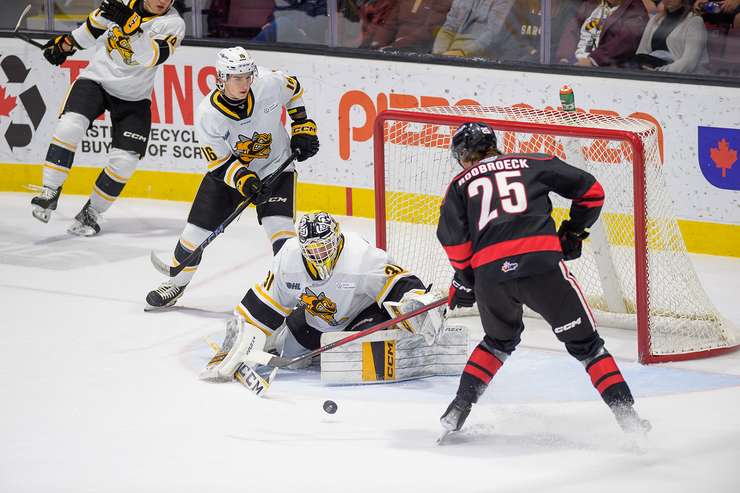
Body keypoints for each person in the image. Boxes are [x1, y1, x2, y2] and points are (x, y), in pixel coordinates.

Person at [435, 122, 650, 437]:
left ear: (464, 156)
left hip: (492, 277)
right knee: (588, 347)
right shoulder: (536, 161)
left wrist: (465, 280)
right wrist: (574, 230)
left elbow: (454, 241)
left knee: (497, 342)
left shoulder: (458, 185)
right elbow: (592, 192)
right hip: (542, 267)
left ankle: (458, 407)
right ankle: (628, 418)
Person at [144, 46, 320, 310]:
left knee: (281, 231)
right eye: (237, 78)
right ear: (221, 78)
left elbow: (294, 89)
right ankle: (176, 283)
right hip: (230, 174)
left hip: (275, 166)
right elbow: (220, 162)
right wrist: (245, 181)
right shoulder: (208, 114)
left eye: (247, 76)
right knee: (194, 235)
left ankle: (295, 296)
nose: (245, 83)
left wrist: (302, 126)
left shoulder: (268, 82)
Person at [199, 211, 446, 381]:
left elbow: (398, 281)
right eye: (312, 250)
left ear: (337, 239)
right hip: (314, 319)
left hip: (360, 316)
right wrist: (235, 343)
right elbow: (262, 304)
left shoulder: (361, 257)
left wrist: (417, 301)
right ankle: (277, 339)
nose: (318, 255)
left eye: (324, 247)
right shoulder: (288, 257)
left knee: (347, 357)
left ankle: (396, 342)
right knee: (293, 361)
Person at [31, 0, 185, 235]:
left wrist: (133, 30)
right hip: (96, 81)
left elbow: (152, 57)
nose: (162, 1)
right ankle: (50, 190)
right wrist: (67, 44)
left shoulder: (173, 24)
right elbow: (93, 27)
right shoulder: (122, 3)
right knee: (69, 127)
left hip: (134, 96)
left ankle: (91, 213)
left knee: (125, 162)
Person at [557, 0, 648, 67]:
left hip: (603, 71)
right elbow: (571, 30)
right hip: (573, 65)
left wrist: (593, 60)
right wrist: (564, 57)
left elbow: (625, 41)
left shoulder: (635, 9)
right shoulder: (591, 4)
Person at [634, 0, 709, 72]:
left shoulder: (694, 21)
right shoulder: (654, 20)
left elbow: (689, 62)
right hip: (650, 72)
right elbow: (641, 51)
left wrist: (659, 72)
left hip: (678, 78)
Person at [432, 0, 516, 58]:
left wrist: (462, 53)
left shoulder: (504, 1)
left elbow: (491, 34)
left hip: (475, 60)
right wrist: (439, 53)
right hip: (446, 56)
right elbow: (448, 27)